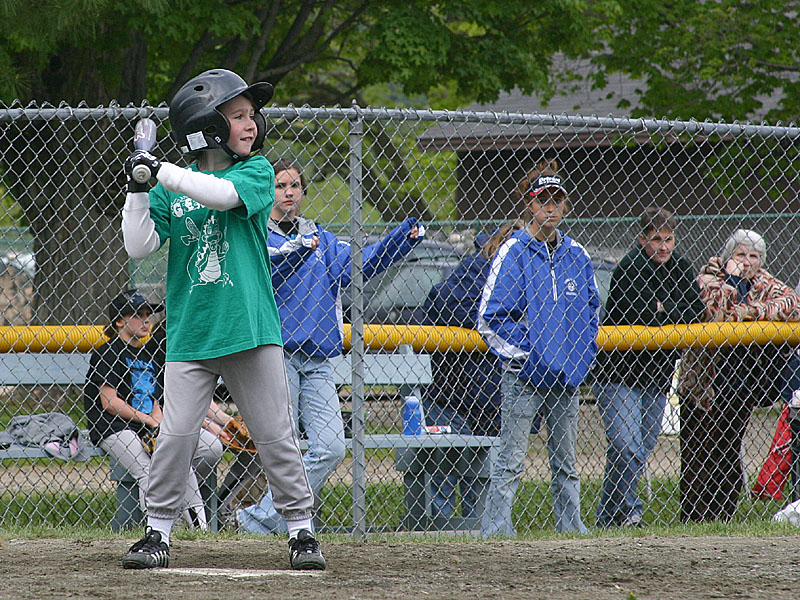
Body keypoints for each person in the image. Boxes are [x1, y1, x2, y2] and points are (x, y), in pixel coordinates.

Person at [120, 68, 324, 570]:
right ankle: (158, 532)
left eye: (251, 115)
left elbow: (221, 196)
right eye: (236, 116)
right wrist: (138, 186)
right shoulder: (170, 183)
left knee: (275, 434)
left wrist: (159, 169)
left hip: (249, 329)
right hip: (191, 332)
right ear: (205, 124)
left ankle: (300, 530)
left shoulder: (254, 172)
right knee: (176, 436)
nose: (249, 124)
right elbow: (138, 244)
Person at [236, 158, 423, 534]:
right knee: (281, 444)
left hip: (319, 359)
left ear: (303, 192)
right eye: (279, 186)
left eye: (294, 186)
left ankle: (260, 520)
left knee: (332, 447)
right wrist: (297, 249)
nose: (287, 193)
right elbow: (266, 274)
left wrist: (400, 239)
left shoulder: (319, 237)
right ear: (267, 192)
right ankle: (283, 523)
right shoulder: (258, 234)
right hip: (277, 356)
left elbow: (360, 266)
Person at [478, 160, 599, 536]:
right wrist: (532, 351)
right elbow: (489, 318)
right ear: (530, 205)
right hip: (524, 374)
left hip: (564, 375)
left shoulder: (577, 254)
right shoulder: (513, 251)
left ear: (565, 206)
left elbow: (591, 310)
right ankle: (496, 531)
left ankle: (571, 529)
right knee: (512, 459)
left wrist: (575, 356)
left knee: (566, 462)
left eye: (557, 200)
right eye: (542, 200)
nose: (550, 207)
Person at [591, 207, 705, 528]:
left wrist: (662, 308)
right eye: (656, 239)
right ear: (642, 239)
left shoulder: (681, 267)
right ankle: (630, 512)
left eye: (669, 239)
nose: (664, 247)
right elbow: (640, 314)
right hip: (618, 374)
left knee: (637, 450)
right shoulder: (630, 267)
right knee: (626, 446)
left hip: (657, 375)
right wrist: (669, 310)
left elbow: (694, 312)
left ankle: (608, 517)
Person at [678, 229, 800, 523]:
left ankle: (723, 516)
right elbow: (717, 311)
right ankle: (694, 518)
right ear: (727, 256)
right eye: (740, 255)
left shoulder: (765, 283)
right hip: (704, 382)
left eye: (754, 256)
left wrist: (749, 310)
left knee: (728, 450)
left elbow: (792, 304)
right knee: (698, 450)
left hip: (741, 382)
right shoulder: (709, 278)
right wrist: (732, 282)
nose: (747, 261)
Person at [85, 289, 218, 529]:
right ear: (119, 321)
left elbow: (157, 397)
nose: (146, 320)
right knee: (148, 470)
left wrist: (157, 420)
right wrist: (149, 420)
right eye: (137, 315)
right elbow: (109, 402)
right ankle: (158, 528)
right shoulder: (107, 353)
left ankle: (201, 529)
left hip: (147, 423)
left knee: (180, 463)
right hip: (113, 427)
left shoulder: (149, 353)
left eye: (148, 315)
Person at [421, 219, 524, 520]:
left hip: (493, 396)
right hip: (452, 392)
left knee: (485, 472)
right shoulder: (473, 271)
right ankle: (437, 526)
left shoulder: (530, 276)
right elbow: (451, 306)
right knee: (444, 466)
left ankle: (484, 526)